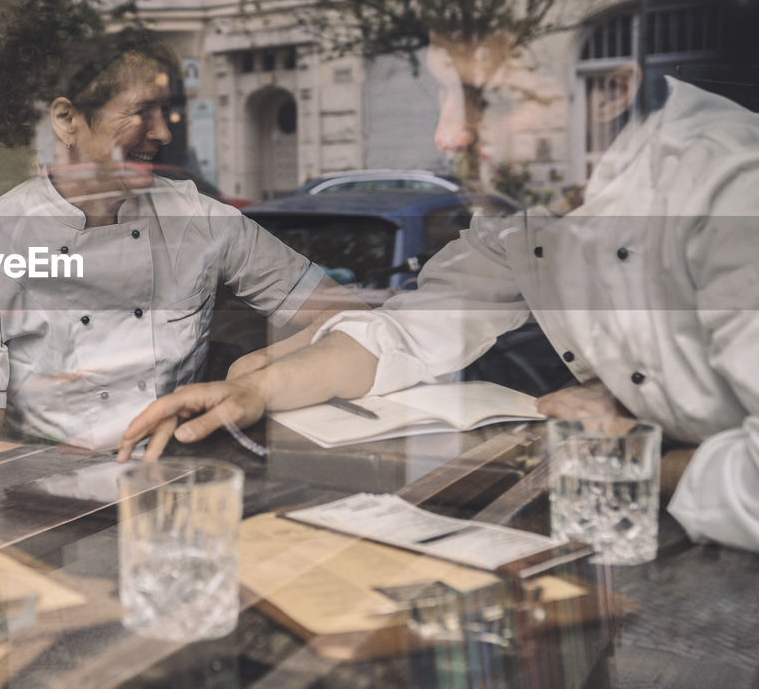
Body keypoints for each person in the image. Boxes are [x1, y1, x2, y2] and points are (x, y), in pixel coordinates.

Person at [120, 41, 759, 554]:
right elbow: (409, 333)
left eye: (491, 101)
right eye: (448, 95)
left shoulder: (733, 186)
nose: (450, 134)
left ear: (610, 92)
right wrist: (258, 390)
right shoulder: (540, 197)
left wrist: (624, 447)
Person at [0, 0, 360, 462]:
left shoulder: (199, 220)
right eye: (143, 112)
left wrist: (254, 378)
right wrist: (99, 481)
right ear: (67, 119)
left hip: (177, 487)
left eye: (167, 112)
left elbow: (343, 316)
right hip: (45, 505)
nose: (163, 133)